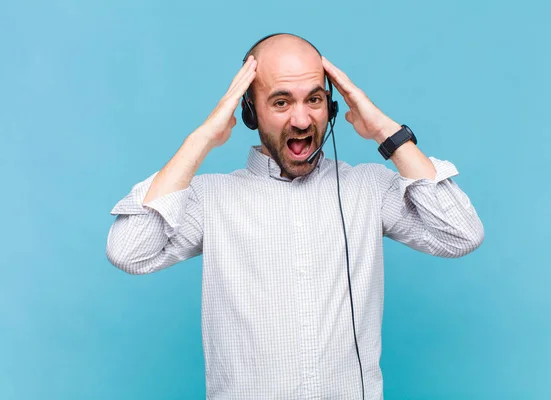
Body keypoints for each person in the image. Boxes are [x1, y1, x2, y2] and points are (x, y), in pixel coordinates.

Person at [106, 33, 484, 399]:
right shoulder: (210, 199)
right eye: (281, 102)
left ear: (332, 107)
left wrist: (386, 131)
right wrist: (202, 138)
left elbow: (462, 235)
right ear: (250, 113)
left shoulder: (369, 189)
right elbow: (128, 251)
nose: (302, 120)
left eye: (315, 99)